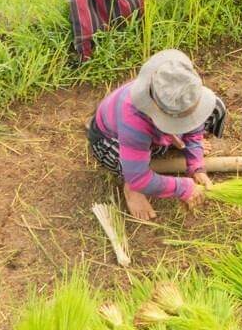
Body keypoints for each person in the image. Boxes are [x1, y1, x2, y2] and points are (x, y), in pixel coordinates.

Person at [86, 49, 227, 220]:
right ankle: (131, 189)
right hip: (111, 140)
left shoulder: (184, 91)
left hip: (152, 136)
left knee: (215, 107)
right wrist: (182, 187)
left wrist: (196, 166)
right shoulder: (134, 119)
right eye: (181, 120)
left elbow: (195, 124)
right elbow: (139, 177)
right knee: (128, 167)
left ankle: (172, 142)